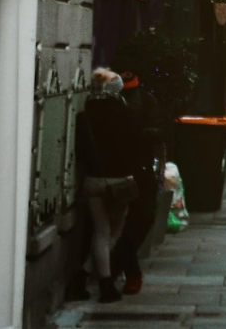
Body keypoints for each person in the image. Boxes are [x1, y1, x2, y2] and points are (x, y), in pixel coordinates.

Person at [75, 69, 146, 303]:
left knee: (100, 232)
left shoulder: (84, 116)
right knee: (112, 232)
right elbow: (136, 148)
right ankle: (105, 285)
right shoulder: (126, 114)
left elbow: (81, 151)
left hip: (93, 181)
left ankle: (81, 279)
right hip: (119, 182)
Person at [111, 70, 161, 295]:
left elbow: (159, 131)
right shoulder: (130, 102)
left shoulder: (142, 101)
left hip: (137, 169)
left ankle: (117, 267)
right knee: (133, 222)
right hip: (127, 171)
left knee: (136, 221)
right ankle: (121, 269)